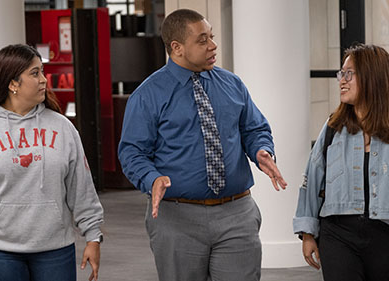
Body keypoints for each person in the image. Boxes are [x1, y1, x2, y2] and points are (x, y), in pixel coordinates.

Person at [118, 8, 287, 281]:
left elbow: (253, 128)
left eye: (212, 37)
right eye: (202, 40)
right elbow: (133, 152)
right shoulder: (148, 95)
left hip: (236, 214)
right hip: (177, 216)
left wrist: (261, 150)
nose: (212, 45)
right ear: (177, 47)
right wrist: (152, 179)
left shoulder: (232, 84)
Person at [0, 44, 104, 281]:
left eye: (42, 71)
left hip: (55, 249)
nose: (43, 80)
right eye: (34, 73)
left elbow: (81, 187)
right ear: (12, 83)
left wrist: (93, 235)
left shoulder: (62, 128)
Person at [293, 44, 389, 281]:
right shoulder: (333, 127)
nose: (341, 81)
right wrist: (307, 233)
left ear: (372, 78)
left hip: (387, 236)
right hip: (337, 234)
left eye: (349, 74)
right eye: (340, 73)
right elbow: (312, 179)